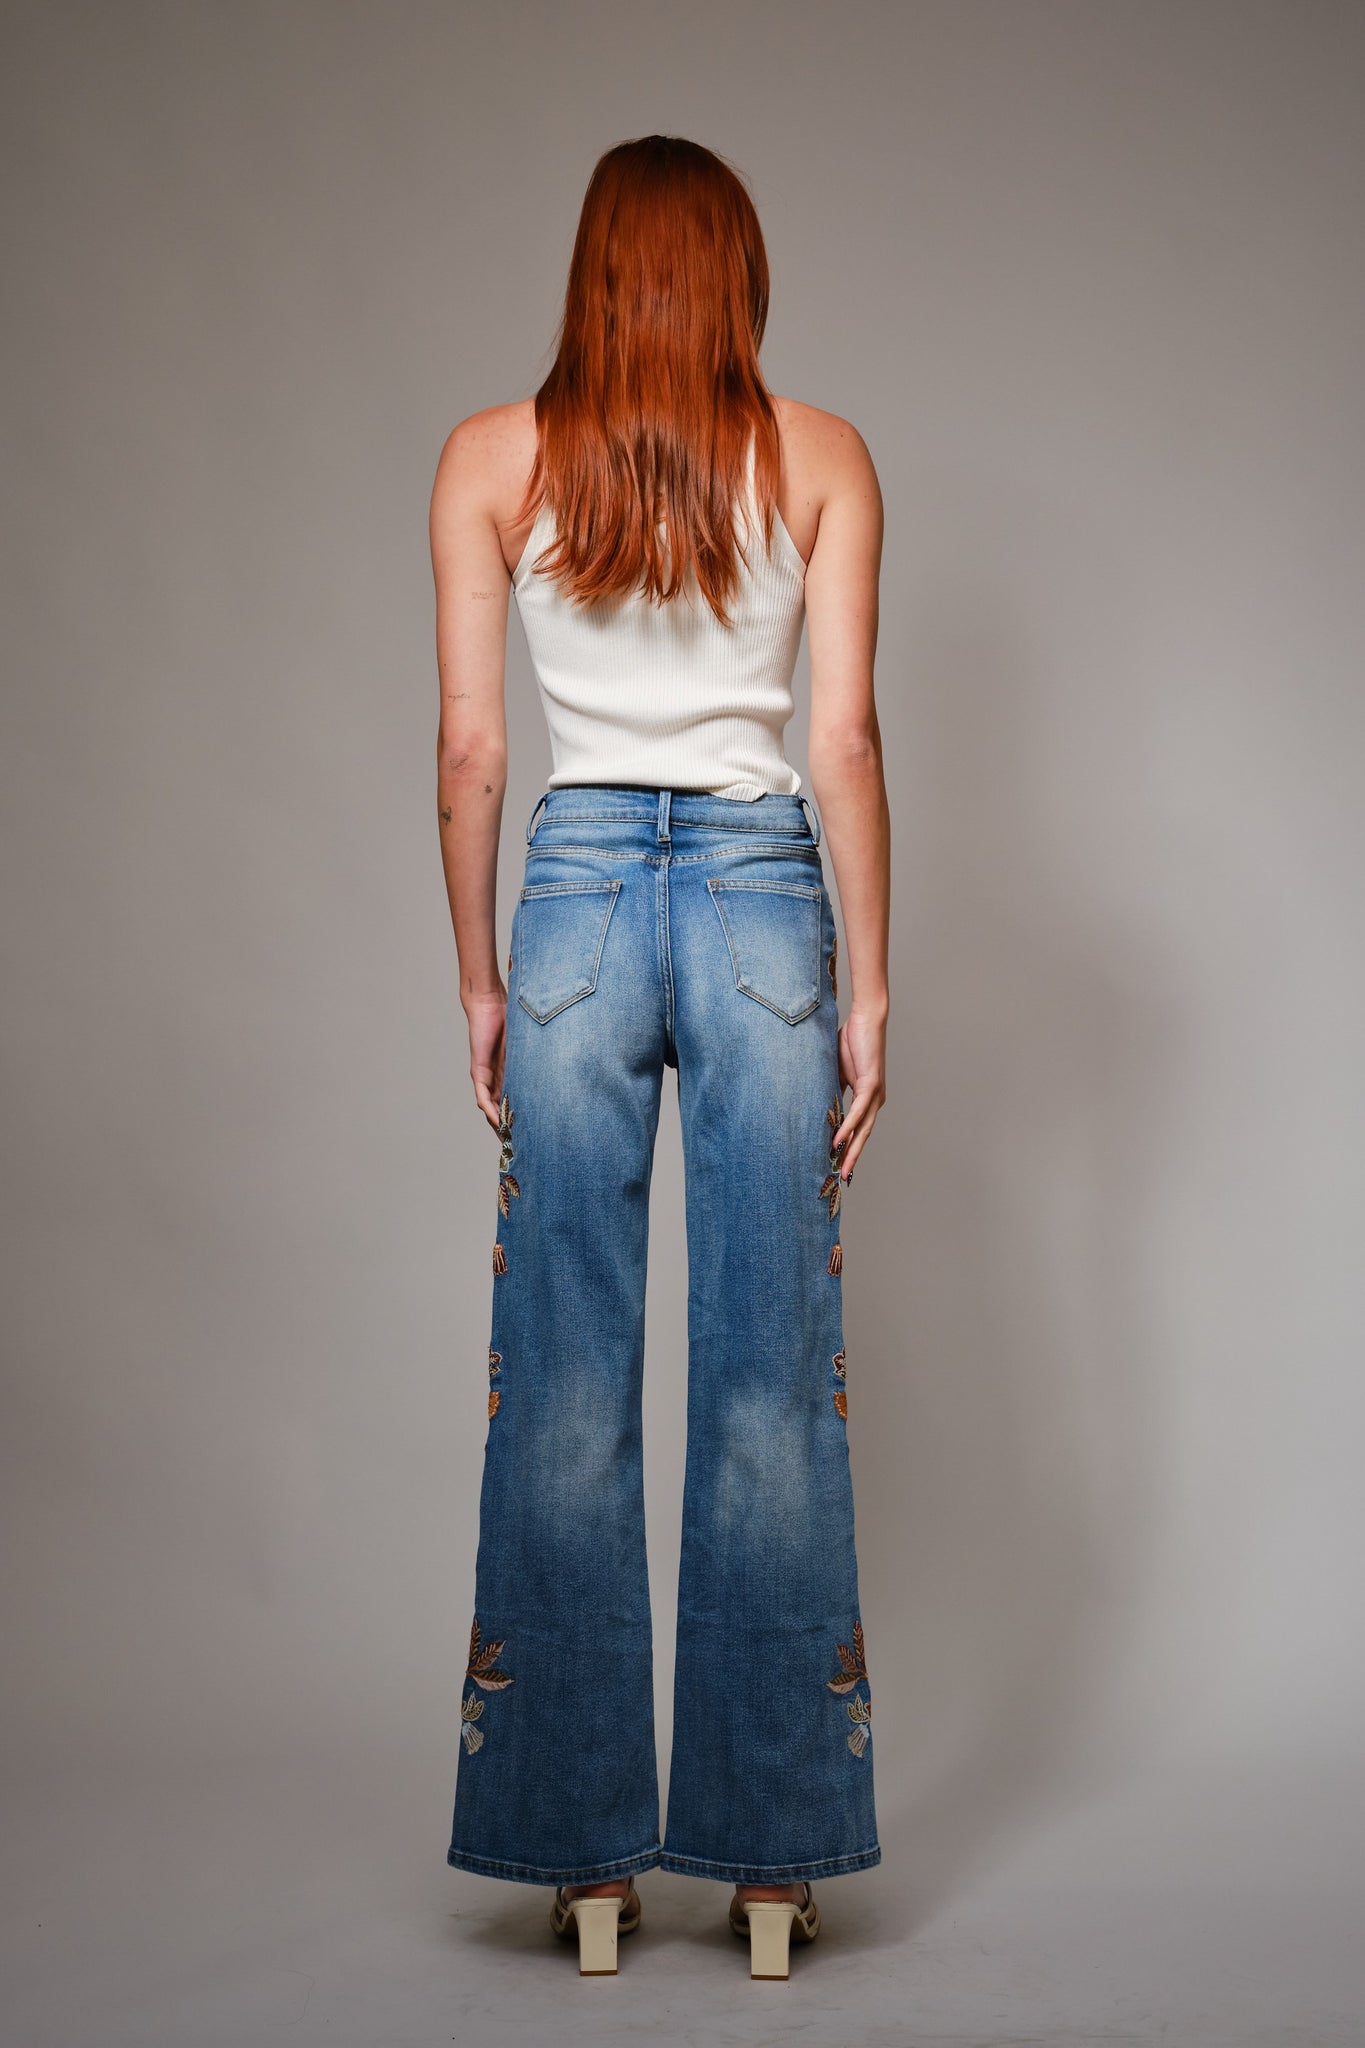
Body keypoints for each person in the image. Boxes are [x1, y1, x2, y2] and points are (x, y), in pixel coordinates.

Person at [429, 133, 890, 1980]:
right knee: (772, 1376)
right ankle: (770, 1870)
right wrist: (869, 989)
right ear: (737, 276)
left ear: (591, 275)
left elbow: (474, 753)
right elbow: (838, 741)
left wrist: (481, 978)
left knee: (561, 1376)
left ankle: (584, 1867)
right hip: (767, 895)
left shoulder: (490, 459)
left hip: (579, 903)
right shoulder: (821, 455)